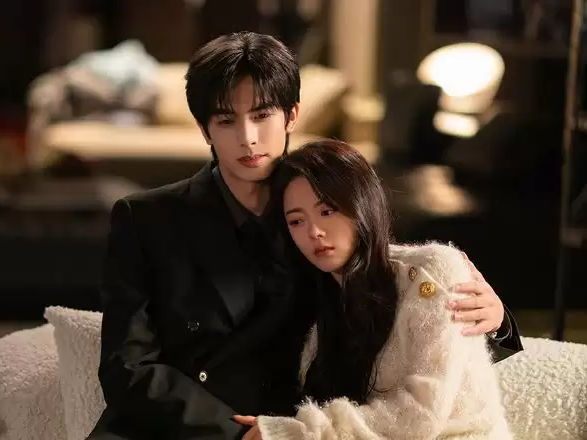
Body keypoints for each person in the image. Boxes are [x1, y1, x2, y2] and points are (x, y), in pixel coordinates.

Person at [88, 31, 521, 440]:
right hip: (172, 427)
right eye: (226, 120)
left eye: (262, 116)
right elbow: (127, 367)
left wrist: (496, 321)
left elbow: (398, 311)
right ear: (205, 130)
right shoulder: (147, 218)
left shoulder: (329, 221)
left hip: (283, 425)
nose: (248, 139)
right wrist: (238, 434)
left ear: (291, 115)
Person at [235, 139, 514, 440]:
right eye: (296, 221)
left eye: (327, 211)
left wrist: (297, 431)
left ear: (361, 205)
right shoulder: (310, 295)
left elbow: (421, 415)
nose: (314, 232)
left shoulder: (431, 269)